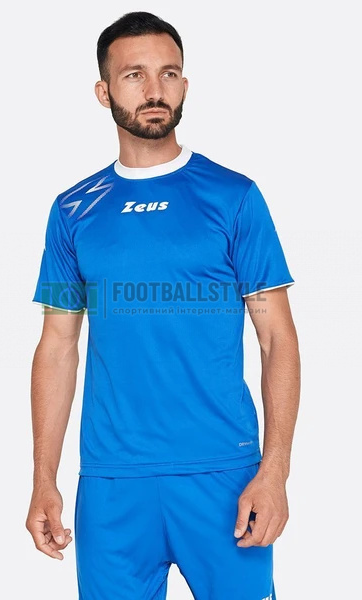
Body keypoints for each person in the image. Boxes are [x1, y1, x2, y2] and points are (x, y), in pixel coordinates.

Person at [26, 11, 300, 600]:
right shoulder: (72, 211)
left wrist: (275, 470)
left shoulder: (234, 197)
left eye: (169, 73)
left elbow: (277, 338)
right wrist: (43, 479)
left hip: (225, 475)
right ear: (104, 92)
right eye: (134, 75)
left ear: (184, 83)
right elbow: (57, 347)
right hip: (112, 482)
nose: (155, 90)